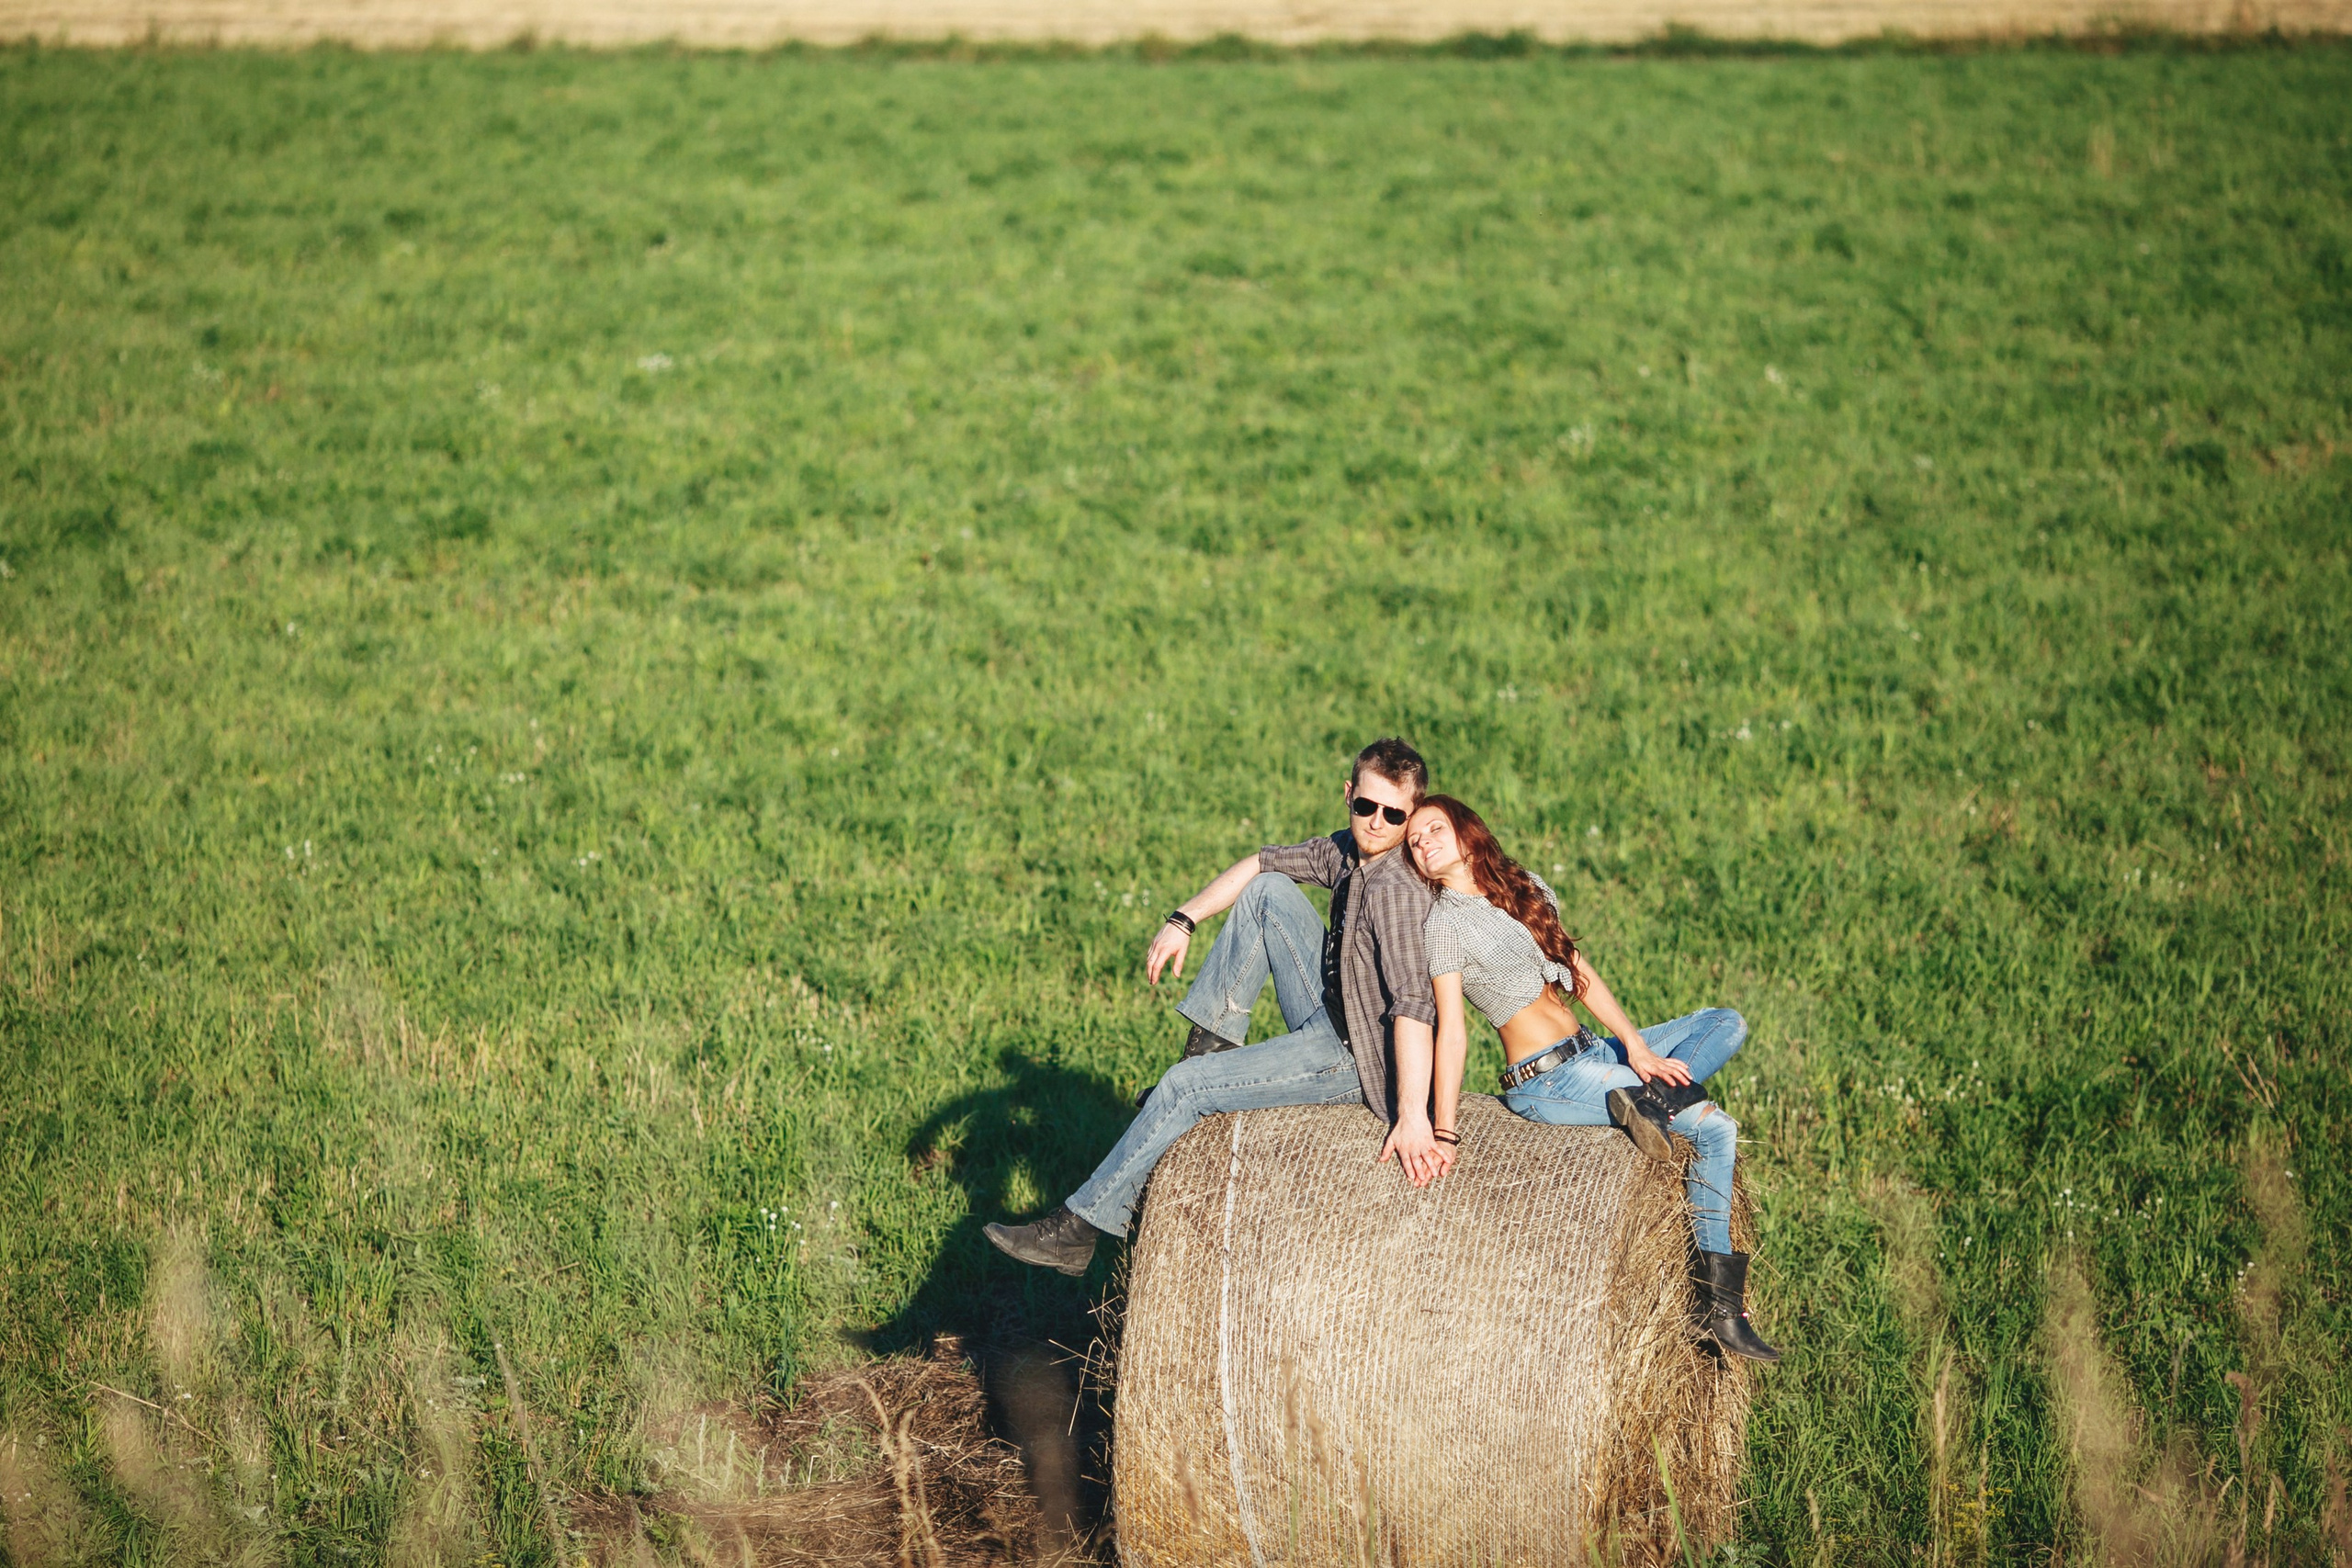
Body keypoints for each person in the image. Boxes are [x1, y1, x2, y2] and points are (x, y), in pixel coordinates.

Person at [984, 738, 1451, 1276]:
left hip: (1355, 1060)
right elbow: (1258, 861)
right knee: (1269, 889)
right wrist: (1183, 919)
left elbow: (1416, 1006)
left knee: (1186, 1089)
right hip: (1332, 1010)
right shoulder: (1348, 850)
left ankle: (1077, 1232)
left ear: (1411, 815)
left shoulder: (1396, 889)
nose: (1376, 823)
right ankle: (1206, 1051)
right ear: (1349, 795)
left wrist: (1414, 1115)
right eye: (1366, 806)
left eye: (1394, 815)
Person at [1404, 795, 1781, 1363]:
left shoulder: (1524, 886)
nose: (1424, 842)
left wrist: (1638, 1048)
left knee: (1725, 1022)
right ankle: (1720, 1307)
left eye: (1433, 828)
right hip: (1547, 1081)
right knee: (1715, 1130)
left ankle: (1644, 1099)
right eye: (1414, 842)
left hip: (1594, 1052)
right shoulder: (1444, 926)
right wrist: (1445, 1129)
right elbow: (1450, 1032)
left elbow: (1578, 970)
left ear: (1465, 831)